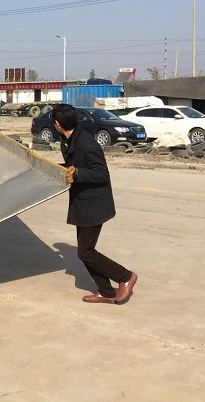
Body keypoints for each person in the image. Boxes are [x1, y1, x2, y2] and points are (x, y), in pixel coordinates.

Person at [53, 103, 138, 304]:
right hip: (82, 202)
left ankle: (125, 276)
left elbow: (102, 174)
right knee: (85, 252)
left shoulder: (87, 143)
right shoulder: (68, 140)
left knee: (85, 252)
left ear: (57, 124)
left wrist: (78, 173)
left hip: (94, 203)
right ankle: (106, 291)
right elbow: (72, 166)